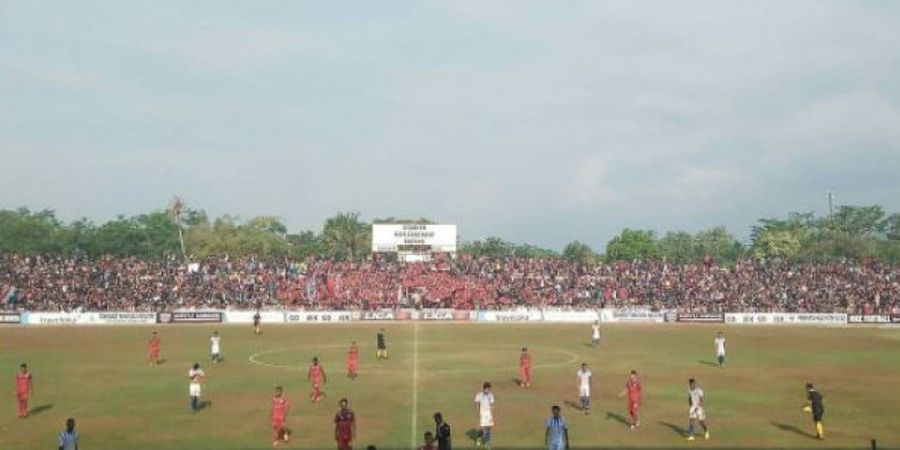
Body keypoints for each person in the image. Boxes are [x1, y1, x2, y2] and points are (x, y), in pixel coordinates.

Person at [474, 382, 495, 448]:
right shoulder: (479, 395)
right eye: (487, 389)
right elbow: (477, 404)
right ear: (484, 389)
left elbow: (491, 406)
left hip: (488, 413)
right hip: (482, 413)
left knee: (489, 428)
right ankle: (479, 439)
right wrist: (479, 413)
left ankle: (487, 442)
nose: (488, 390)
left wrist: (491, 415)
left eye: (489, 389)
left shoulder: (491, 395)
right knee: (482, 428)